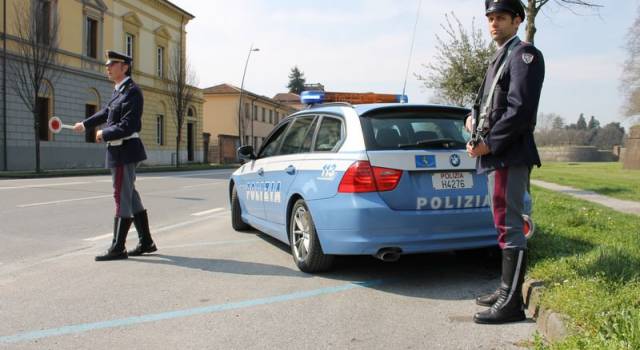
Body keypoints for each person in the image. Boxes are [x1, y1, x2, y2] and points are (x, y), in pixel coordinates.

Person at [465, 0, 545, 324]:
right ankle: (505, 289)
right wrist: (471, 123)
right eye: (490, 18)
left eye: (501, 17)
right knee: (502, 224)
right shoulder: (499, 58)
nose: (494, 23)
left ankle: (512, 305)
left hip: (507, 156)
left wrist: (489, 144)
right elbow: (482, 103)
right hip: (494, 157)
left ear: (517, 20)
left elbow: (520, 111)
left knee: (511, 225)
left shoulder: (525, 55)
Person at [73, 50, 158, 261]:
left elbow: (130, 125)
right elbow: (106, 112)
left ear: (125, 67)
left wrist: (104, 133)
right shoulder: (119, 91)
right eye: (107, 64)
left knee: (121, 195)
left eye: (112, 63)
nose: (107, 67)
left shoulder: (133, 92)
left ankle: (118, 247)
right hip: (121, 150)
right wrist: (85, 124)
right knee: (130, 194)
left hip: (124, 150)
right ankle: (146, 242)